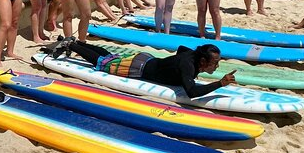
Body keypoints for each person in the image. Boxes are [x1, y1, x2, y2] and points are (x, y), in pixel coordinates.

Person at [50, 39, 236, 98]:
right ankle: (72, 46)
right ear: (203, 61)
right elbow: (192, 92)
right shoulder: (187, 65)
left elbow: (181, 49)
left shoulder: (191, 55)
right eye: (215, 63)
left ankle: (78, 42)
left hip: (146, 59)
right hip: (138, 68)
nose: (217, 65)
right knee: (103, 63)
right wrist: (219, 84)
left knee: (109, 56)